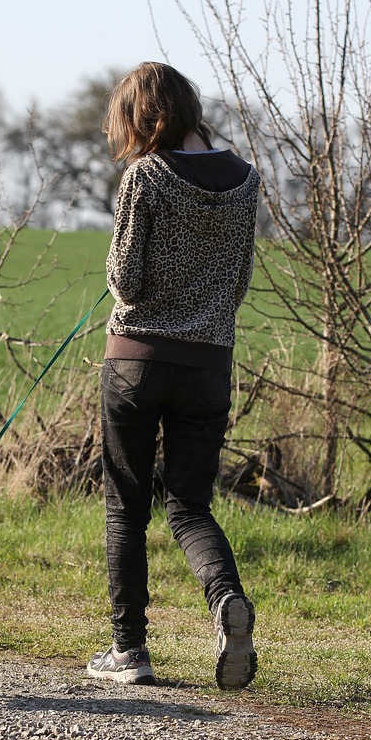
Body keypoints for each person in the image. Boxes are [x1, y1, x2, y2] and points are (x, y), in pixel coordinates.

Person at [86, 62, 260, 691]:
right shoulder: (246, 180)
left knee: (126, 509)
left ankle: (128, 651)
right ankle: (225, 603)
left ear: (141, 115)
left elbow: (126, 281)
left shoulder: (145, 177)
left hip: (136, 360)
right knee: (190, 506)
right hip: (208, 366)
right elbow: (238, 285)